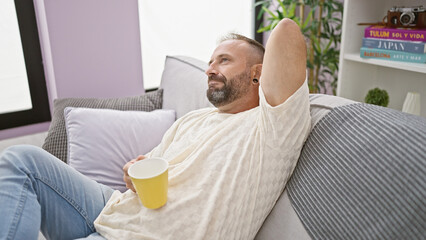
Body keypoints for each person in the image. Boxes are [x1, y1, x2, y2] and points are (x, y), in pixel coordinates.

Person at [0, 18, 311, 240]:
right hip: (114, 210)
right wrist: (132, 173)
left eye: (224, 60)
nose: (209, 69)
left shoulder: (271, 128)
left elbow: (287, 32)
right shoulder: (194, 120)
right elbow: (149, 171)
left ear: (258, 75)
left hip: (140, 236)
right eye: (210, 61)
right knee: (20, 160)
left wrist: (264, 63)